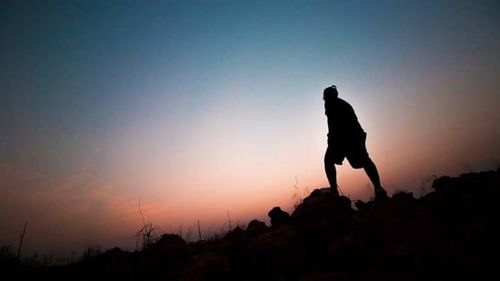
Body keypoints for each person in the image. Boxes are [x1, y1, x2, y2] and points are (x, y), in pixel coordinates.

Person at [323, 85, 388, 200]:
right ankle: (334, 190)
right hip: (342, 139)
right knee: (329, 160)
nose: (324, 99)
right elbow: (332, 126)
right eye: (324, 97)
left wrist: (333, 139)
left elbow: (340, 125)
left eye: (326, 97)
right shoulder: (330, 105)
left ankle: (378, 188)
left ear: (332, 96)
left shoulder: (340, 105)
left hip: (351, 137)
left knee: (362, 161)